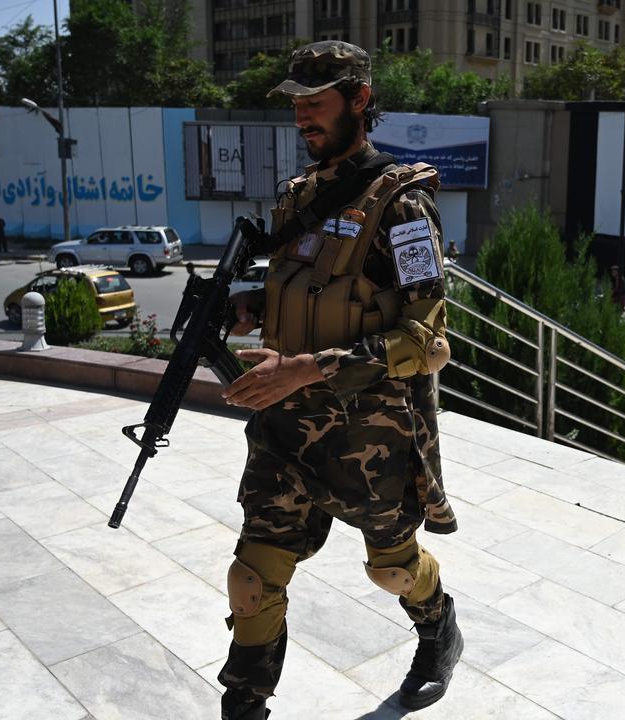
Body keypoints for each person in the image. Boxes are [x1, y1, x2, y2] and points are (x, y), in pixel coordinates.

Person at [217, 40, 461, 720]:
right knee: (252, 579)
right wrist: (252, 307)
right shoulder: (299, 198)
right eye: (296, 105)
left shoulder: (402, 205)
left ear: (358, 100)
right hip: (285, 431)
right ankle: (245, 704)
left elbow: (426, 341)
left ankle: (439, 626)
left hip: (370, 436)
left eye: (315, 104)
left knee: (390, 568)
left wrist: (310, 367)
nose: (302, 118)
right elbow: (306, 291)